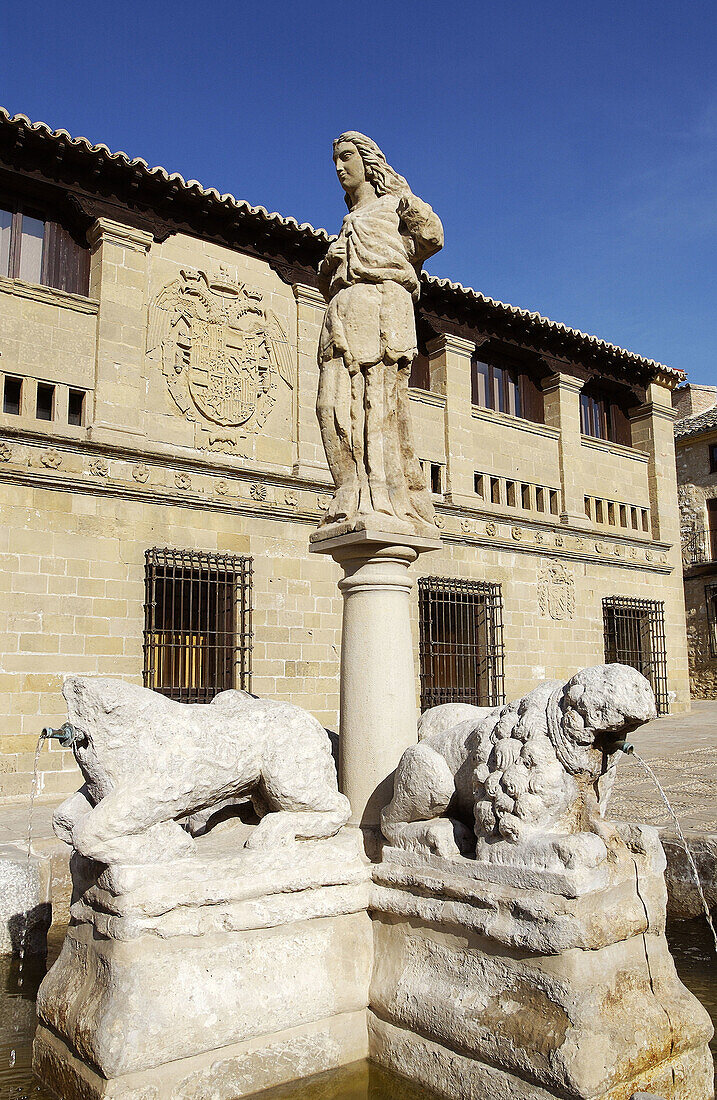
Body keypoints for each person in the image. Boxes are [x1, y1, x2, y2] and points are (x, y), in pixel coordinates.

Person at [316, 131, 444, 534]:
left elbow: (432, 239)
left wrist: (410, 202)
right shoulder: (346, 223)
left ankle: (383, 496)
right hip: (342, 317)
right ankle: (349, 490)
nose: (339, 167)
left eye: (347, 157)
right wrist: (328, 263)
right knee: (330, 407)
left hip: (382, 311)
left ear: (367, 161)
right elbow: (330, 281)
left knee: (378, 409)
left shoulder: (393, 208)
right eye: (335, 160)